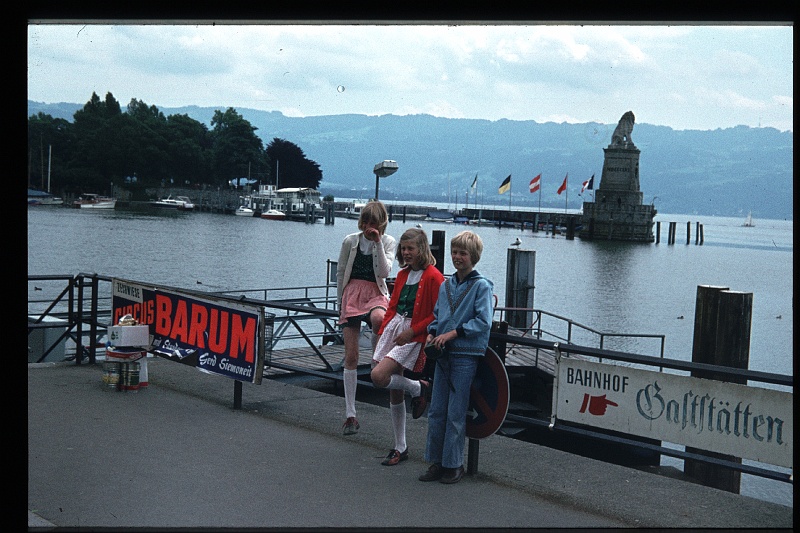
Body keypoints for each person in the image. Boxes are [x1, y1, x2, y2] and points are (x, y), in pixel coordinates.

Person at [419, 230, 494, 484]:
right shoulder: (446, 285)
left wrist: (454, 333)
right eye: (454, 252)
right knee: (437, 409)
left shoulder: (482, 286)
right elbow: (437, 315)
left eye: (463, 253)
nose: (457, 257)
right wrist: (432, 333)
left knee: (456, 411)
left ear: (473, 256)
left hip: (465, 354)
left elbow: (483, 321)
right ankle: (436, 461)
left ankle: (453, 464)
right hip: (442, 355)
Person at [371, 228, 445, 466]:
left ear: (421, 249)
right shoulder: (402, 274)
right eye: (403, 249)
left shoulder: (434, 277)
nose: (406, 252)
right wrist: (383, 334)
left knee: (378, 376)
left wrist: (412, 332)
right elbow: (392, 306)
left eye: (410, 248)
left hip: (413, 335)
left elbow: (437, 314)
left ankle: (418, 387)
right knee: (394, 391)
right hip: (395, 330)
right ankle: (400, 446)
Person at [336, 200, 397, 435]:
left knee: (379, 319)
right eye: (367, 222)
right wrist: (340, 302)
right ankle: (350, 414)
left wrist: (378, 243)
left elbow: (384, 272)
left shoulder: (388, 242)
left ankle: (376, 357)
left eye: (375, 223)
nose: (370, 226)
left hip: (375, 292)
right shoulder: (350, 241)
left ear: (382, 224)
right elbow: (341, 271)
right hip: (352, 293)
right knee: (351, 356)